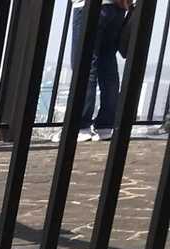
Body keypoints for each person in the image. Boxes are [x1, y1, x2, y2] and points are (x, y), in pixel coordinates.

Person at [71, 0, 132, 142]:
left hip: (89, 6)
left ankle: (81, 125)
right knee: (107, 63)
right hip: (117, 7)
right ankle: (105, 125)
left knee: (84, 65)